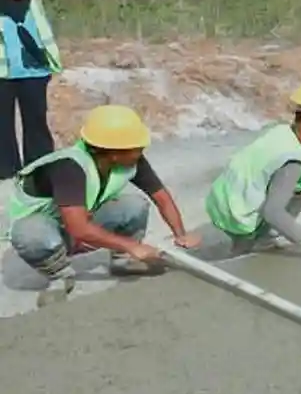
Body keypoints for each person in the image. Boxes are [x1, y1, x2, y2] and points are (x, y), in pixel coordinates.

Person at [7, 105, 200, 306]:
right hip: (50, 229)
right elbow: (78, 228)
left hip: (79, 222)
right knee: (30, 234)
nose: (141, 152)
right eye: (136, 148)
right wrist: (133, 245)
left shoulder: (128, 159)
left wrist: (181, 234)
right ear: (114, 153)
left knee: (134, 206)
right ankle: (60, 275)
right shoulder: (69, 168)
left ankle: (122, 261)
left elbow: (161, 196)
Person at [206, 79, 301, 260]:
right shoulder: (294, 162)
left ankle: (251, 241)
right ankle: (253, 243)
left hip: (220, 200)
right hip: (237, 214)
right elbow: (272, 212)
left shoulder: (280, 132)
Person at [0, 0, 60, 180]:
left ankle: (40, 167)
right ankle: (6, 169)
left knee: (36, 122)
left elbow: (45, 35)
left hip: (34, 72)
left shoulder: (34, 6)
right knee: (2, 123)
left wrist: (50, 63)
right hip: (3, 75)